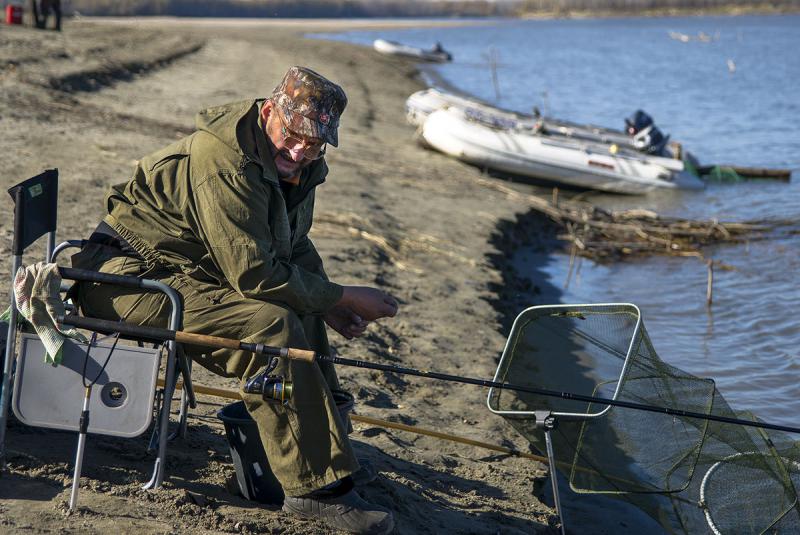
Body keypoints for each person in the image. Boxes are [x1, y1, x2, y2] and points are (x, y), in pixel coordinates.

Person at [71, 66, 398, 534]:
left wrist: (328, 302)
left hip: (181, 270)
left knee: (302, 313)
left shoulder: (297, 164)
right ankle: (315, 492)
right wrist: (343, 294)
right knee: (272, 325)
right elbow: (255, 275)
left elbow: (293, 247)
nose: (301, 149)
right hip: (124, 281)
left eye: (315, 142)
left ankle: (331, 455)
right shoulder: (224, 160)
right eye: (294, 134)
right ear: (269, 113)